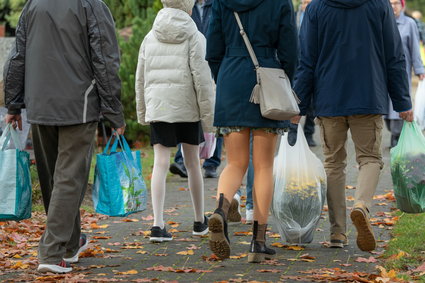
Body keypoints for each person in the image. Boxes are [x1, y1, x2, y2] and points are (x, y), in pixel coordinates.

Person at [3, 0, 125, 273]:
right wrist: (115, 112)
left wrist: (13, 103)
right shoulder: (91, 4)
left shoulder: (33, 4)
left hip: (40, 104)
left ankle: (69, 245)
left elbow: (17, 56)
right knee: (69, 178)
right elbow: (105, 60)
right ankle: (52, 252)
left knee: (53, 180)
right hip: (77, 105)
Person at [292, 0, 413, 252]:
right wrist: (402, 101)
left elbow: (306, 61)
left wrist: (299, 105)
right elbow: (394, 55)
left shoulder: (315, 8)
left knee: (334, 162)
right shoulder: (379, 5)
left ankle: (337, 233)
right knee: (369, 158)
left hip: (328, 97)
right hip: (368, 95)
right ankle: (362, 206)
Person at [206, 0, 297, 262]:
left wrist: (223, 78)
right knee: (264, 166)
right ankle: (258, 243)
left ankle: (221, 212)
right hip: (267, 79)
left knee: (235, 163)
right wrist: (285, 82)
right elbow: (290, 49)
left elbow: (213, 49)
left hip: (230, 79)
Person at [135, 0, 215, 242]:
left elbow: (140, 78)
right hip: (187, 108)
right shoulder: (195, 36)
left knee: (160, 163)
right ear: (189, 7)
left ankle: (158, 224)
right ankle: (199, 221)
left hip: (159, 108)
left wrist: (142, 112)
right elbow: (203, 82)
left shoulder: (150, 36)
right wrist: (209, 120)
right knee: (192, 164)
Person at [169, 0, 224, 179]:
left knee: (214, 114)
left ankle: (212, 163)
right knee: (187, 113)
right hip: (189, 64)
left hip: (214, 65)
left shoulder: (217, 4)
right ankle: (181, 161)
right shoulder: (185, 5)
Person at [386, 0, 425, 147]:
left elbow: (415, 48)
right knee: (385, 106)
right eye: (390, 3)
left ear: (402, 5)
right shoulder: (382, 22)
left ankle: (396, 135)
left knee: (398, 103)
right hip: (383, 72)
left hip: (402, 71)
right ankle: (393, 131)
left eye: (396, 3)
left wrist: (419, 69)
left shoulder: (410, 23)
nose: (393, 6)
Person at [288, 0, 316, 147]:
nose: (305, 5)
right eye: (304, 2)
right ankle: (292, 129)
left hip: (310, 64)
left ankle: (308, 133)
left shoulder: (316, 14)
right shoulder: (295, 16)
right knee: (294, 99)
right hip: (296, 64)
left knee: (311, 105)